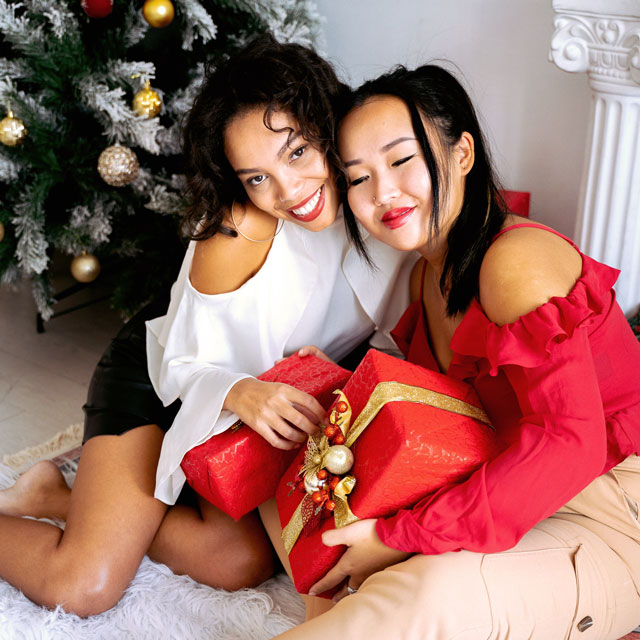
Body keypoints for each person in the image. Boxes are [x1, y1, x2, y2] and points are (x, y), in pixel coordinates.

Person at [0, 34, 412, 617]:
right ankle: (76, 505)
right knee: (83, 585)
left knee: (234, 561)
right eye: (256, 177)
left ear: (326, 123)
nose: (288, 192)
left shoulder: (384, 203)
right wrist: (241, 390)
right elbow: (182, 364)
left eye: (296, 152)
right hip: (166, 383)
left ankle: (58, 497)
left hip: (262, 411)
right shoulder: (237, 230)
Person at [271, 64, 640, 639]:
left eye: (400, 160)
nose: (383, 193)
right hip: (513, 484)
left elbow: (569, 444)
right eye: (357, 178)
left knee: (423, 595)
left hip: (610, 506)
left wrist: (400, 536)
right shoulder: (426, 275)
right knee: (321, 532)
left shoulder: (516, 262)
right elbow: (434, 415)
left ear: (462, 152)